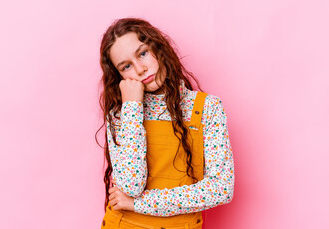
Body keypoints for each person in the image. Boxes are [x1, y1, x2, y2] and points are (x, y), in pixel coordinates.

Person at [97, 17, 234, 229]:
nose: (140, 69)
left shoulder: (208, 108)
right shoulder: (120, 113)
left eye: (143, 53)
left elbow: (221, 189)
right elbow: (131, 185)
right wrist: (132, 107)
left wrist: (139, 204)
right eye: (126, 66)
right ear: (119, 76)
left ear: (159, 48)